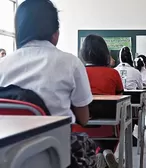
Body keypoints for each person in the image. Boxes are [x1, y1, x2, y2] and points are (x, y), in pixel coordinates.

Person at [0, 0, 105, 167]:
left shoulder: (2, 65)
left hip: (9, 153)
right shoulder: (71, 63)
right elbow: (84, 119)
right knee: (87, 147)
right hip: (57, 151)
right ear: (55, 34)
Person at [81, 34, 124, 168]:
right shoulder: (113, 73)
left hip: (80, 126)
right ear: (105, 53)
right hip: (109, 129)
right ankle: (105, 150)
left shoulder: (78, 72)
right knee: (120, 116)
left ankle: (98, 153)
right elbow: (120, 99)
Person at [115, 46, 143, 146]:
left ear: (119, 58)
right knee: (135, 109)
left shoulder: (114, 71)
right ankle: (129, 134)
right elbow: (140, 88)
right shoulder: (136, 72)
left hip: (116, 107)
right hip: (133, 105)